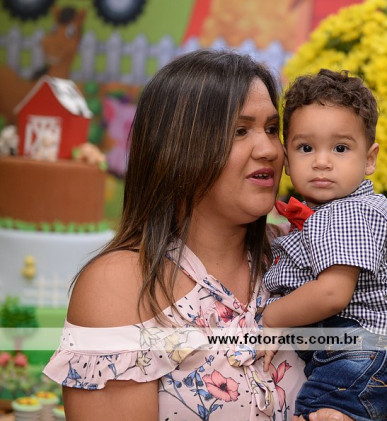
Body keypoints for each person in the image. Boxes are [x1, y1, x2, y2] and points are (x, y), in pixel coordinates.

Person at [42, 50, 355, 421]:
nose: (269, 149)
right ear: (177, 149)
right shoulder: (120, 284)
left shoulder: (308, 254)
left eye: (272, 129)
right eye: (240, 131)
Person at [262, 69, 387, 421]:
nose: (322, 161)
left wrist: (272, 317)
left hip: (359, 351)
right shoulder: (328, 214)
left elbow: (333, 293)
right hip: (367, 356)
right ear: (287, 159)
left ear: (370, 159)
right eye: (306, 148)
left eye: (340, 148)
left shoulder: (347, 212)